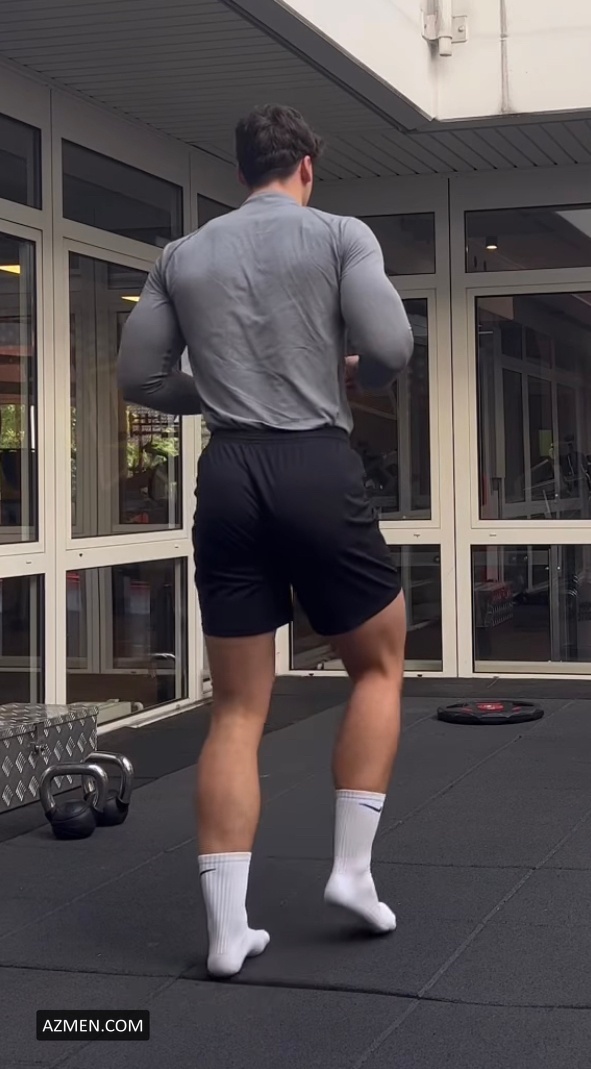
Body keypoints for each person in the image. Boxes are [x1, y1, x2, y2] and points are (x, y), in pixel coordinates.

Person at [117, 103, 414, 979]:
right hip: (313, 462)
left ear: (240, 172)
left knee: (237, 707)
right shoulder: (340, 235)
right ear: (306, 167)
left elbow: (138, 377)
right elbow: (391, 344)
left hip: (230, 475)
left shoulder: (181, 255)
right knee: (378, 663)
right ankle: (351, 873)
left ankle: (225, 931)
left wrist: (216, 392)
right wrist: (358, 374)